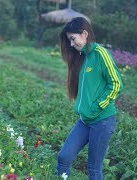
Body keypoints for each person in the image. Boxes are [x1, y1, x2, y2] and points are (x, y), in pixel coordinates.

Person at [56, 17, 123, 180]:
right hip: (85, 120)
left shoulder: (100, 54)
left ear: (84, 33)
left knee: (93, 168)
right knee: (64, 157)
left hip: (102, 120)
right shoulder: (82, 57)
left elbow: (116, 84)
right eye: (69, 40)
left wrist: (97, 107)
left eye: (73, 39)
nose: (71, 44)